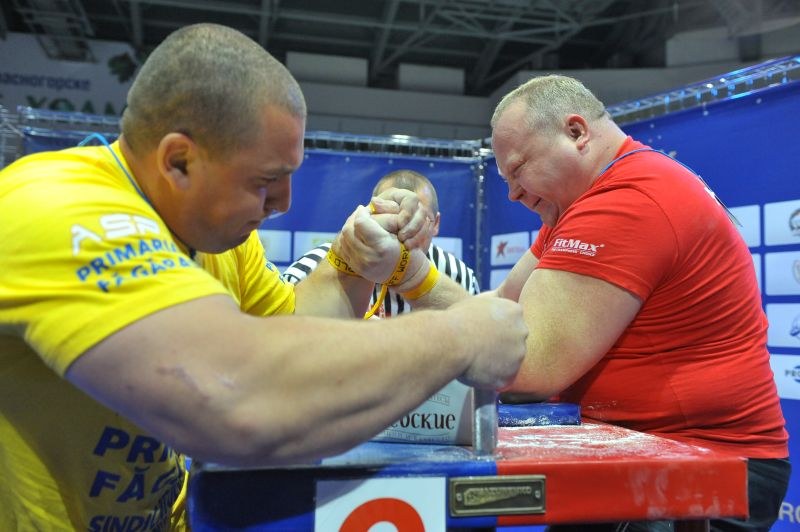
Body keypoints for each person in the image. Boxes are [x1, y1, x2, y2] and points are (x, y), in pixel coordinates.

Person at [0, 24, 528, 530]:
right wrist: (462, 334)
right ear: (178, 160)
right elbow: (239, 398)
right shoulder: (63, 210)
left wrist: (350, 259)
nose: (283, 203)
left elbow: (297, 330)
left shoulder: (218, 237)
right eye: (266, 180)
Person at [488, 74, 790, 531]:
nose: (512, 192)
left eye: (518, 168)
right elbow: (499, 306)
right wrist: (412, 273)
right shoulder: (581, 201)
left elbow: (529, 369)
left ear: (576, 133)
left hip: (707, 466)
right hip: (651, 455)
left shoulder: (627, 199)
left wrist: (402, 358)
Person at [283, 169, 480, 316]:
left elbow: (477, 347)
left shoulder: (457, 275)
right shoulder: (312, 266)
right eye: (391, 217)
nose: (403, 230)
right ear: (372, 213)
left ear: (436, 224)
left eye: (418, 220)